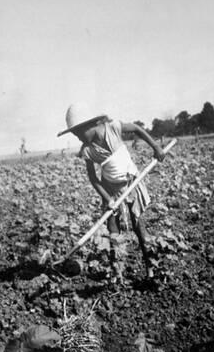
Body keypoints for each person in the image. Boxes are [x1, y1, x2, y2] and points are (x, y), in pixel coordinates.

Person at [57, 103, 165, 278]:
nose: (78, 137)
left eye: (78, 132)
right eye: (75, 134)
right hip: (111, 190)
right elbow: (93, 178)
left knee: (139, 227)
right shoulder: (87, 150)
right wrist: (107, 198)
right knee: (113, 232)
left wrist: (156, 147)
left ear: (91, 125)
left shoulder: (113, 128)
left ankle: (150, 268)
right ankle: (117, 274)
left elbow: (137, 129)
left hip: (131, 184)